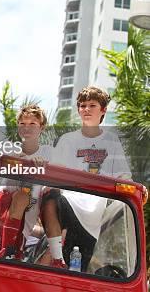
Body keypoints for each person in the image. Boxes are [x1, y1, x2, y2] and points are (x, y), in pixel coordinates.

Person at [42, 86, 132, 271]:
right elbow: (55, 172)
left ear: (103, 110)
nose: (86, 109)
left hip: (93, 213)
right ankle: (57, 257)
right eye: (82, 106)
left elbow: (124, 176)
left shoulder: (112, 141)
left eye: (92, 105)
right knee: (49, 198)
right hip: (69, 200)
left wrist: (137, 189)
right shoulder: (67, 140)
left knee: (78, 269)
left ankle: (63, 258)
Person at [0, 104, 51, 260]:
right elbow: (6, 158)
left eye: (32, 124)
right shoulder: (12, 148)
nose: (27, 128)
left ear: (41, 127)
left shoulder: (47, 153)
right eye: (22, 124)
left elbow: (60, 169)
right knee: (22, 196)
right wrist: (24, 159)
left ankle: (12, 252)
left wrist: (43, 163)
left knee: (30, 199)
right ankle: (7, 251)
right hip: (3, 205)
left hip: (28, 211)